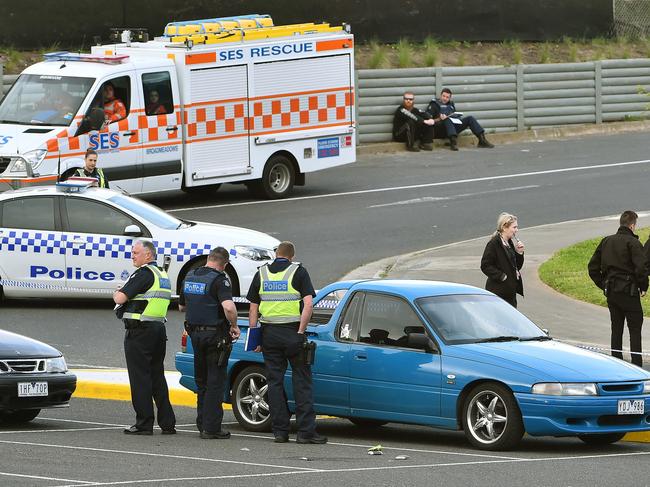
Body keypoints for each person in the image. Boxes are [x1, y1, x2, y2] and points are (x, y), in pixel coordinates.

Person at [247, 241, 326, 444]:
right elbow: (308, 305)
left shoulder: (262, 273)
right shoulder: (298, 272)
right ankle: (305, 433)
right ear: (292, 255)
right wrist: (301, 331)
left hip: (268, 334)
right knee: (302, 381)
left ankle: (280, 432)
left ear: (276, 254)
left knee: (274, 382)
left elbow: (253, 308)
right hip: (292, 332)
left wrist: (255, 338)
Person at [113, 240, 176, 435]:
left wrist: (117, 292)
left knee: (140, 377)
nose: (133, 256)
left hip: (140, 332)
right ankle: (167, 423)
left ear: (148, 255)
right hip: (158, 330)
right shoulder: (162, 275)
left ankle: (144, 423)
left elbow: (120, 298)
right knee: (157, 377)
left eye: (136, 253)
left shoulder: (144, 273)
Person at [179, 247, 240, 439]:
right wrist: (234, 325)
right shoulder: (220, 279)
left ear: (209, 259)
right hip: (215, 337)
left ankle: (202, 423)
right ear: (225, 264)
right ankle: (212, 428)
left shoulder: (190, 276)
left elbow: (182, 306)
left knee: (202, 381)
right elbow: (228, 307)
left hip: (195, 335)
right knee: (215, 382)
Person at [588, 210, 648, 367]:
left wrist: (603, 284)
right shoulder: (633, 243)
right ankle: (636, 366)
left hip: (612, 292)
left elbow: (592, 267)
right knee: (634, 331)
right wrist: (643, 287)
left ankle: (617, 365)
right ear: (633, 225)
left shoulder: (606, 241)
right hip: (629, 291)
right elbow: (641, 268)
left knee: (616, 329)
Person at [426, 88, 494, 151]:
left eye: (447, 97)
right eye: (444, 96)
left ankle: (482, 140)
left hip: (451, 129)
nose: (445, 98)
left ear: (450, 98)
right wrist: (439, 118)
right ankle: (453, 143)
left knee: (470, 118)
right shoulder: (434, 104)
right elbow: (427, 120)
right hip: (439, 130)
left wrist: (457, 117)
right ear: (440, 96)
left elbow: (454, 116)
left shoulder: (451, 105)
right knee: (447, 119)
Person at [480, 212, 525, 307]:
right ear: (504, 227)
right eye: (514, 227)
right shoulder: (494, 243)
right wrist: (502, 276)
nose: (517, 230)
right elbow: (485, 265)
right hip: (498, 293)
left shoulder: (509, 243)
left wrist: (519, 253)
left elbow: (517, 267)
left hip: (510, 293)